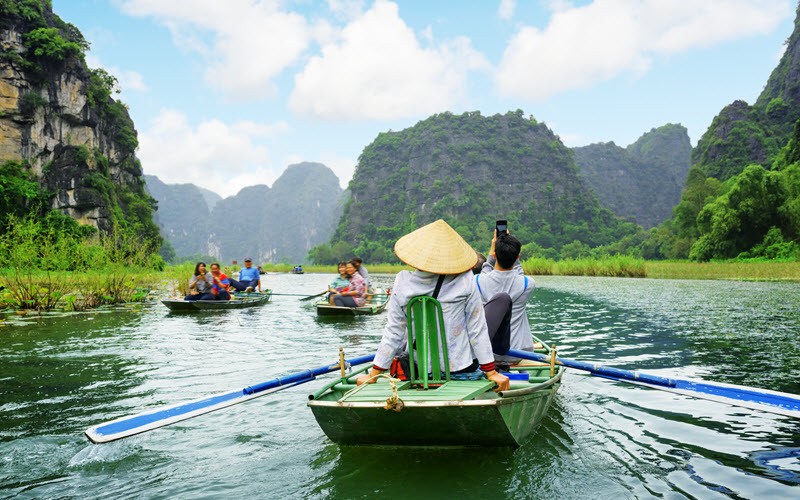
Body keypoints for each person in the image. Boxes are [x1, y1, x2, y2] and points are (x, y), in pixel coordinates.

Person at [356, 219, 509, 392]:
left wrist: (373, 374)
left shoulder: (403, 281)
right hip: (460, 369)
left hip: (418, 370)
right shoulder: (466, 280)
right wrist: (491, 372)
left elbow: (393, 331)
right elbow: (477, 328)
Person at [476, 230, 535, 367]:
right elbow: (519, 275)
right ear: (517, 257)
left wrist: (491, 254)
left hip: (488, 355)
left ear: (495, 255)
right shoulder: (528, 284)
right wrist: (514, 255)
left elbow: (485, 272)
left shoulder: (477, 281)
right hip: (518, 354)